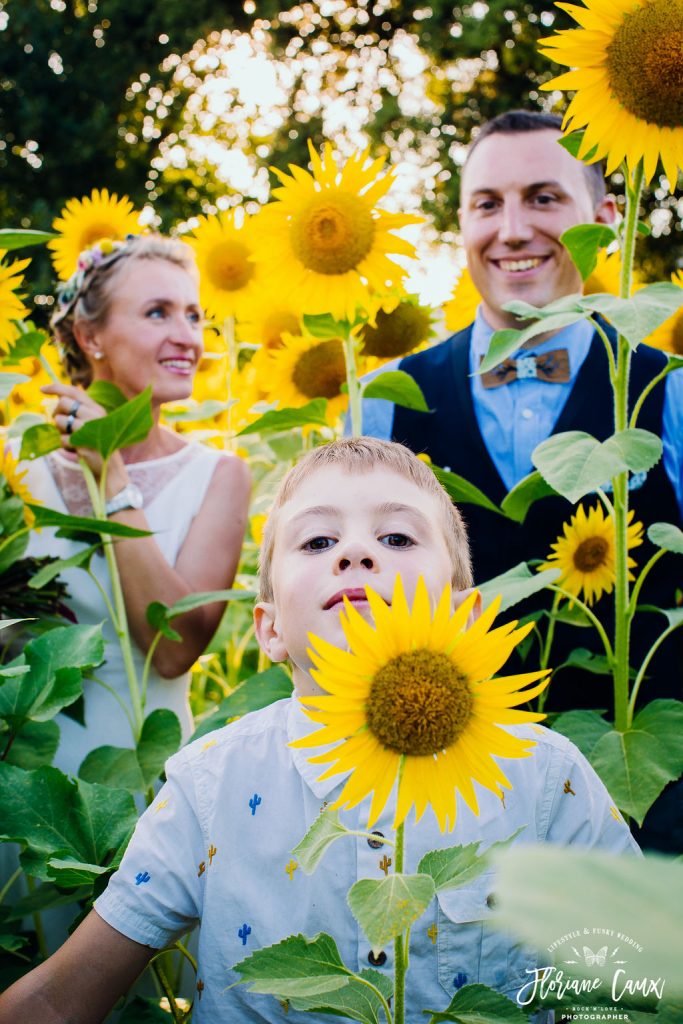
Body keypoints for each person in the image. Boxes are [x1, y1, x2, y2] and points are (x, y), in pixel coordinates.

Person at [0, 438, 638, 1023]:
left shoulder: (544, 779)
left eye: (396, 538)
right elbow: (62, 998)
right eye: (316, 543)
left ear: (463, 612)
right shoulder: (211, 784)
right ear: (270, 628)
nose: (356, 553)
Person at [360, 110, 682, 715]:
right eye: (486, 205)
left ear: (606, 220)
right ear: (461, 223)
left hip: (647, 787)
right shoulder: (386, 398)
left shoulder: (668, 390)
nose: (511, 230)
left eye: (542, 198)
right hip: (450, 775)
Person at [13, 234, 251, 773]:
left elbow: (172, 652)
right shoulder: (15, 467)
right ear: (89, 335)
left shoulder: (219, 475)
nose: (187, 336)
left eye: (193, 315)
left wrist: (112, 475)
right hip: (18, 781)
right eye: (157, 313)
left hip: (148, 786)